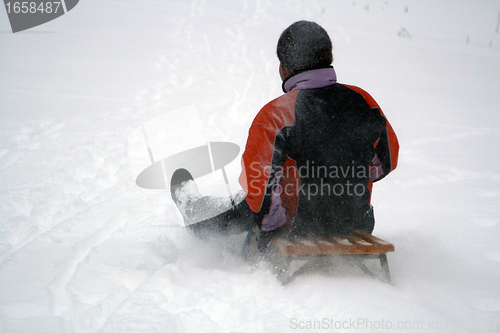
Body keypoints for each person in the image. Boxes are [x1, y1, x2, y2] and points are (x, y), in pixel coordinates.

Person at [171, 20, 399, 251]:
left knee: (247, 201)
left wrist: (272, 233)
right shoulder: (364, 102)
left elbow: (259, 191)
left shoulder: (277, 114)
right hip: (355, 223)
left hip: (295, 228)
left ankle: (193, 207)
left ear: (284, 68)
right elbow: (386, 163)